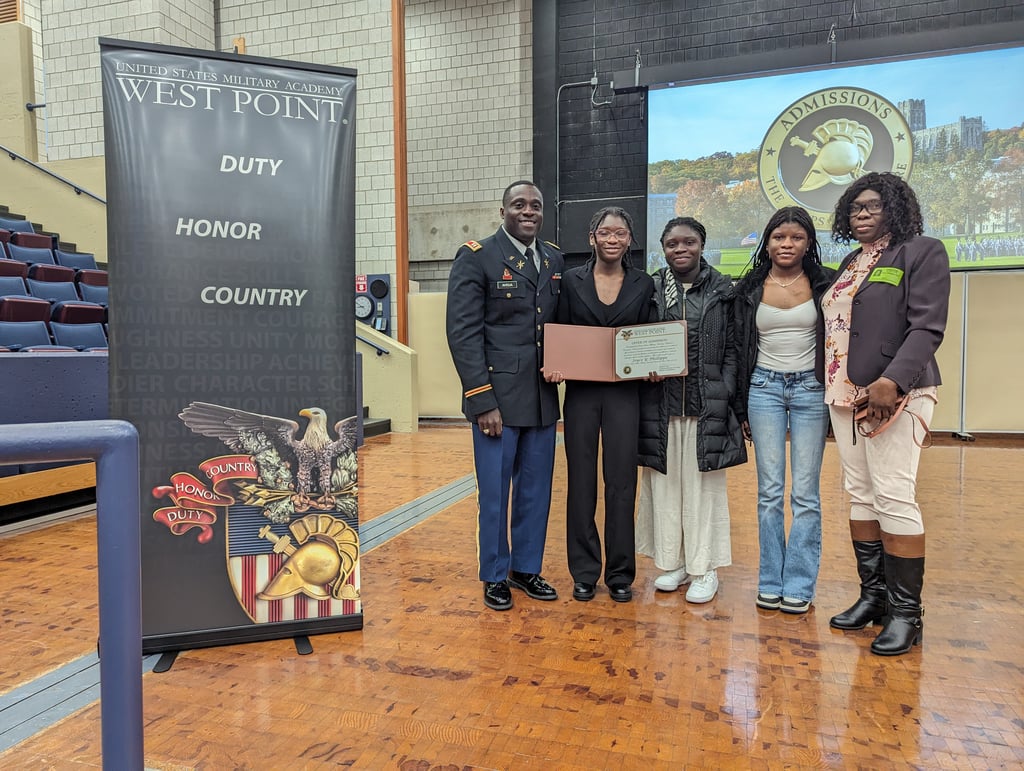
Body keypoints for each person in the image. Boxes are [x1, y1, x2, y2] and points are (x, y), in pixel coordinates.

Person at [819, 172, 950, 655]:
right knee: (861, 494)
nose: (862, 214)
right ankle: (873, 598)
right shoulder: (852, 262)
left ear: (895, 207)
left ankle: (906, 615)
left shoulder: (921, 252)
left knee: (894, 494)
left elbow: (927, 326)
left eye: (872, 206)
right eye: (855, 207)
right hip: (844, 393)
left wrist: (892, 382)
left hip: (896, 393)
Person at [445, 180, 564, 611]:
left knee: (536, 491)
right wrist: (482, 401)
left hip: (542, 398)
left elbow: (558, 326)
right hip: (496, 401)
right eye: (519, 204)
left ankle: (525, 569)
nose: (528, 211)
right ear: (503, 211)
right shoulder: (477, 256)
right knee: (495, 494)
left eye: (535, 205)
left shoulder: (552, 258)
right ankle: (495, 574)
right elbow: (463, 334)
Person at [545, 207, 655, 603]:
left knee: (622, 482)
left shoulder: (644, 283)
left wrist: (654, 364)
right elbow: (559, 330)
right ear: (592, 237)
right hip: (582, 393)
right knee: (581, 482)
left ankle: (621, 573)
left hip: (626, 393)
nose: (612, 239)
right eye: (605, 232)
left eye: (620, 233)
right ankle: (585, 572)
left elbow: (650, 334)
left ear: (630, 239)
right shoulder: (570, 281)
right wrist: (556, 365)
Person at [636, 217, 747, 603]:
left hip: (706, 407)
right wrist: (643, 367)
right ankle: (675, 563)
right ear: (663, 248)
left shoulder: (723, 289)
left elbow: (733, 348)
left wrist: (725, 391)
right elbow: (638, 341)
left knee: (703, 492)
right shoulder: (652, 289)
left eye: (689, 242)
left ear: (702, 244)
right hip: (662, 406)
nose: (680, 249)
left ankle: (705, 568)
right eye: (672, 244)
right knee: (665, 489)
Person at [734, 207, 836, 614]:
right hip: (764, 389)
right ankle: (770, 581)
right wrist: (741, 405)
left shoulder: (827, 283)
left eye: (796, 237)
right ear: (767, 242)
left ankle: (799, 583)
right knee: (769, 493)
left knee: (806, 494)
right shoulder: (749, 287)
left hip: (812, 390)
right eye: (779, 237)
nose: (787, 244)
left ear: (808, 242)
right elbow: (740, 348)